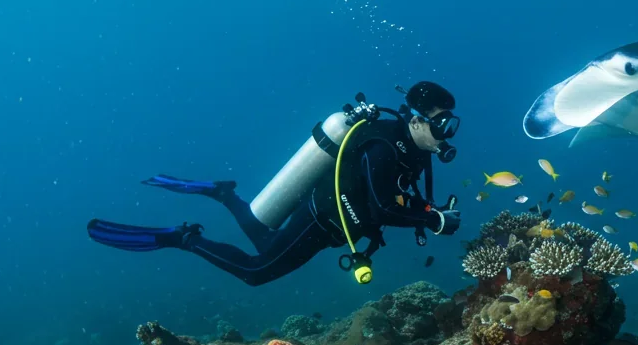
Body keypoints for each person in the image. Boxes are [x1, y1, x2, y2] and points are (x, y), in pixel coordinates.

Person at [87, 82, 463, 285]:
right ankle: (184, 238)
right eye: (442, 123)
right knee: (256, 272)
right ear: (416, 120)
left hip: (332, 219)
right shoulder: (383, 145)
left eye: (451, 124)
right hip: (322, 220)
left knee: (262, 235)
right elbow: (382, 207)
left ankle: (223, 193)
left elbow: (395, 200)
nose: (448, 133)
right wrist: (433, 220)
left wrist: (430, 212)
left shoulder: (415, 151)